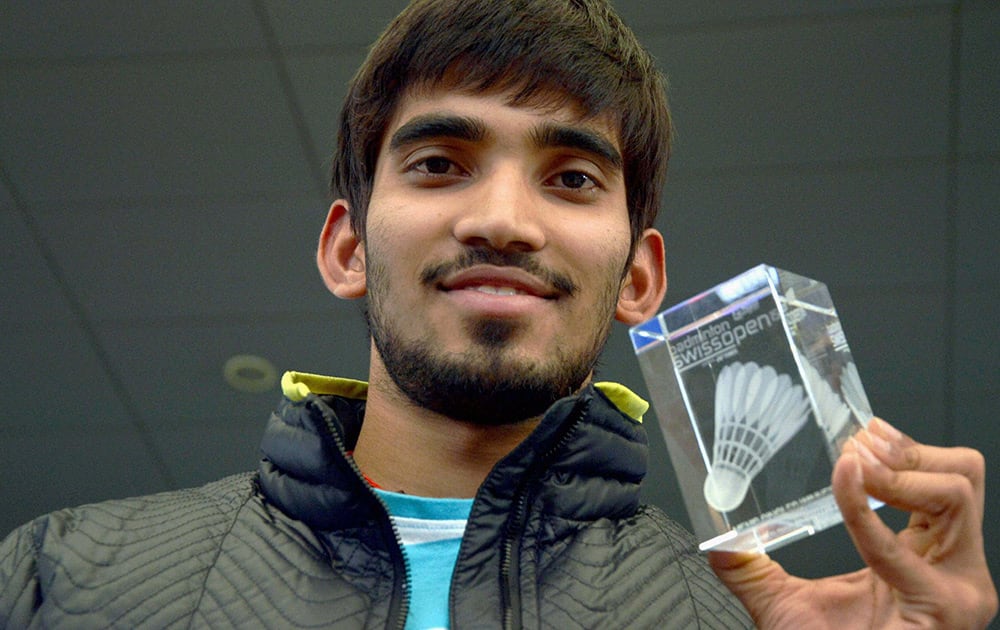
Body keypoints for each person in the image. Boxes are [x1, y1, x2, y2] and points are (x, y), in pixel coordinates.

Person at [1, 0, 995, 628]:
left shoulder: (743, 626)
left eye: (570, 176)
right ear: (348, 248)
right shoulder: (61, 579)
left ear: (637, 281)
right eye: (439, 164)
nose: (503, 221)